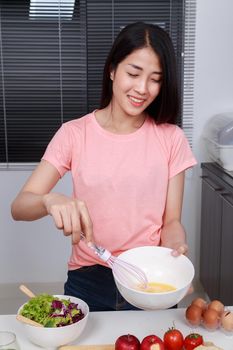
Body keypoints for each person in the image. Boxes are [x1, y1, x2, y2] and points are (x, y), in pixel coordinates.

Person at [11, 21, 197, 312]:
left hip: (149, 280)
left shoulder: (171, 138)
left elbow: (171, 221)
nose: (142, 88)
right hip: (88, 279)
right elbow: (19, 206)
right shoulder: (74, 134)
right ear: (112, 70)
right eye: (133, 73)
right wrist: (49, 200)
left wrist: (176, 249)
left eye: (155, 79)